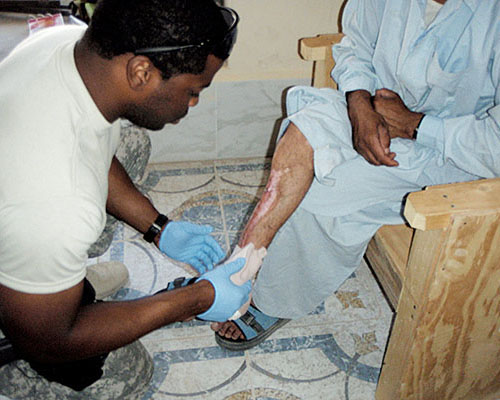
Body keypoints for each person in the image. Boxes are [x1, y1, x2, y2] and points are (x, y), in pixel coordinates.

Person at [212, 0, 500, 350]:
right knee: (302, 130)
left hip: (453, 154)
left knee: (319, 193)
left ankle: (272, 300)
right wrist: (359, 103)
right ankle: (238, 269)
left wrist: (414, 125)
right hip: (377, 112)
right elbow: (355, 46)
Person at [0, 0, 251, 398]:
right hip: (31, 276)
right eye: (193, 90)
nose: (193, 103)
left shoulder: (63, 43)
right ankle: (40, 297)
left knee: (130, 141)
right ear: (141, 71)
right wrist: (194, 298)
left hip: (26, 208)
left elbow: (94, 148)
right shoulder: (57, 204)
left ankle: (50, 280)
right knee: (128, 374)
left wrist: (159, 229)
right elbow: (48, 343)